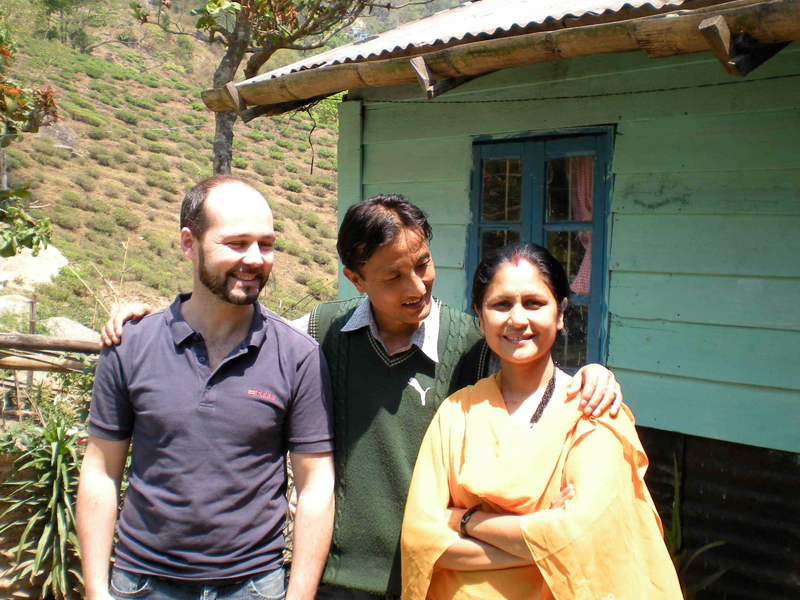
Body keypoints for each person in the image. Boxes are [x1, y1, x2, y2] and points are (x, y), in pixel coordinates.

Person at [100, 194, 624, 600]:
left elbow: (530, 367)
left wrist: (593, 373)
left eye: (422, 263)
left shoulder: (473, 344)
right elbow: (240, 328)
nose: (416, 284)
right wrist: (152, 314)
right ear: (355, 279)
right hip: (336, 574)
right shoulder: (319, 332)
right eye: (392, 276)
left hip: (441, 569)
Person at [77, 175, 336, 600]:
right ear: (188, 243)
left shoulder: (297, 356)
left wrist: (300, 596)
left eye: (266, 244)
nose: (255, 259)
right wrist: (95, 589)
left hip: (253, 586)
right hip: (141, 583)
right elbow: (101, 471)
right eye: (236, 243)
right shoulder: (130, 346)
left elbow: (316, 485)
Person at [400, 243, 682, 600]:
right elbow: (420, 537)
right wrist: (542, 544)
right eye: (501, 304)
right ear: (480, 315)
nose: (518, 319)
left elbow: (580, 537)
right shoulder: (457, 412)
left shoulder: (591, 410)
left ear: (561, 312)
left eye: (534, 303)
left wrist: (465, 521)